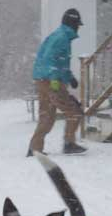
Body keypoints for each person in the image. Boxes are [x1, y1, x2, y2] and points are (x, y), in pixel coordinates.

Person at [28, 8, 87, 156]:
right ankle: (69, 144)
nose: (78, 28)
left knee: (47, 116)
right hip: (50, 81)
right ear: (73, 24)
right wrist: (54, 80)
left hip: (42, 79)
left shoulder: (59, 36)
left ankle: (35, 148)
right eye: (77, 25)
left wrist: (69, 77)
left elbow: (61, 62)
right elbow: (51, 60)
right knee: (74, 111)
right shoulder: (62, 38)